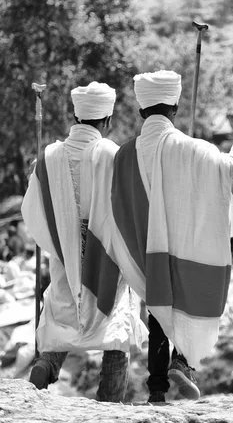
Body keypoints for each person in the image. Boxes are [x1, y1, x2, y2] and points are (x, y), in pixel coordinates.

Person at [109, 70, 233, 402]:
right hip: (187, 248)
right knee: (192, 304)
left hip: (147, 253)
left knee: (158, 312)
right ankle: (183, 361)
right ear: (174, 107)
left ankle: (157, 389)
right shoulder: (192, 147)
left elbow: (115, 206)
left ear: (142, 110)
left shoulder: (123, 154)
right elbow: (228, 168)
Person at [22, 81, 146, 401]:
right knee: (115, 333)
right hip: (107, 258)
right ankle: (108, 405)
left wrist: (62, 244)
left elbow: (32, 212)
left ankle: (47, 364)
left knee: (64, 316)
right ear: (105, 121)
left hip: (65, 258)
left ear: (76, 117)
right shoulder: (113, 154)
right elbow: (129, 208)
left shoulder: (48, 156)